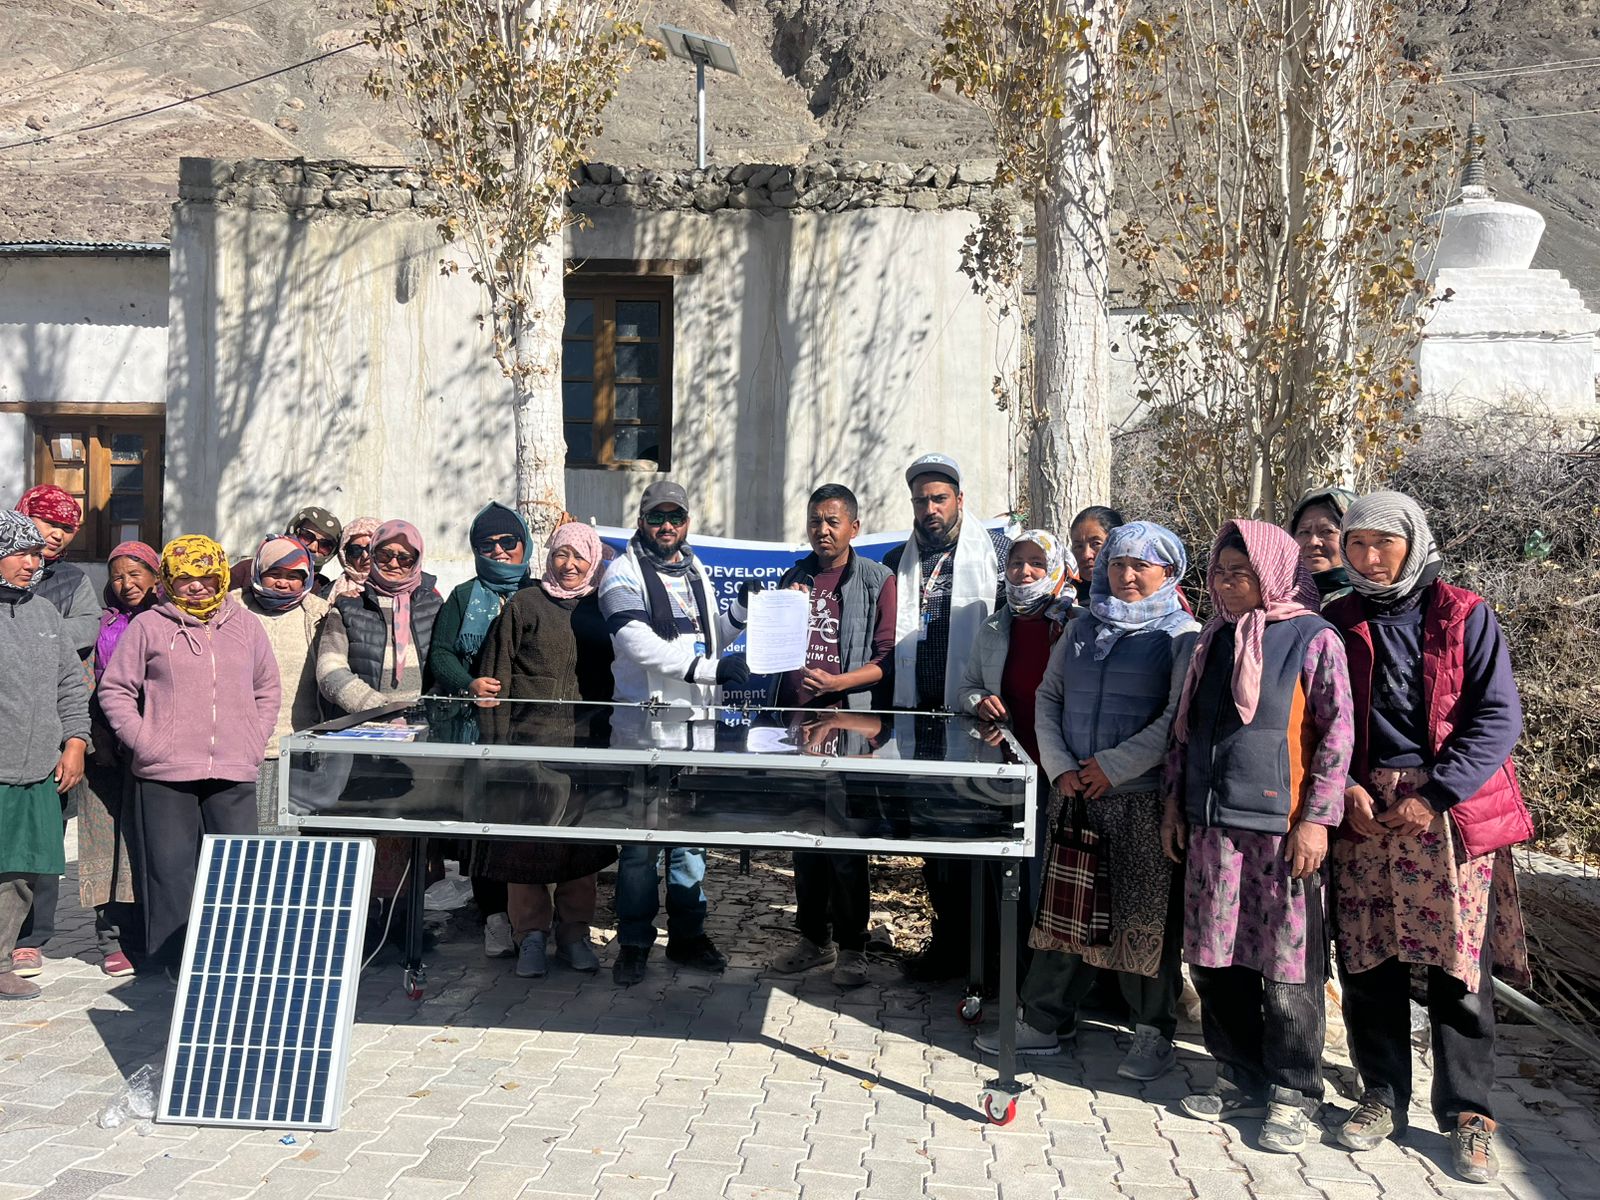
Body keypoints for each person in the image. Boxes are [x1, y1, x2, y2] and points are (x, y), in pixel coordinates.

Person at [1323, 492, 1530, 1184]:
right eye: (1356, 545)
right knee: (1367, 954)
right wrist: (1344, 783)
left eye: (1383, 543)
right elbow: (1324, 714)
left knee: (1456, 967)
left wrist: (1435, 793)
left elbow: (1497, 717)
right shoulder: (1338, 618)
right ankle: (1381, 1093)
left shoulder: (1464, 614)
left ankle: (1468, 1114)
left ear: (1413, 543)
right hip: (1363, 811)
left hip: (1446, 807)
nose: (1369, 558)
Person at [977, 521, 1198, 1082]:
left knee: (1141, 919)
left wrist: (1114, 766)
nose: (1125, 575)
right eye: (1117, 565)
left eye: (1139, 567)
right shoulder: (1080, 627)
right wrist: (1061, 767)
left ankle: (1152, 1033)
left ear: (1167, 574)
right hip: (1074, 794)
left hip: (1141, 800)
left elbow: (1176, 718)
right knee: (1064, 914)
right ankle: (1047, 1024)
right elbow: (1048, 698)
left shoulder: (1181, 636)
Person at [1164, 520, 1354, 1153]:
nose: (1225, 582)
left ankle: (1296, 1092)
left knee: (1289, 966)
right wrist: (1175, 808)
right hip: (1212, 826)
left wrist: (1316, 820)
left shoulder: (1313, 638)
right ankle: (1239, 1075)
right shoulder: (1210, 640)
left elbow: (1336, 736)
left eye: (1239, 572)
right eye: (1218, 572)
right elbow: (1183, 734)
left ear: (1270, 572)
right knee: (1213, 958)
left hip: (1282, 831)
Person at [98, 535, 279, 967]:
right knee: (170, 872)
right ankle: (176, 962)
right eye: (184, 578)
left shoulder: (246, 625)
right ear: (168, 580)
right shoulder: (150, 626)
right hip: (164, 772)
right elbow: (116, 689)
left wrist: (253, 740)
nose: (196, 586)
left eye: (206, 576)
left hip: (233, 768)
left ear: (220, 576)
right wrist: (147, 741)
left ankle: (234, 957)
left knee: (237, 871)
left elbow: (267, 689)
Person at [596, 481, 748, 987]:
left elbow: (705, 635)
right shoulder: (621, 572)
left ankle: (687, 937)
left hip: (695, 732)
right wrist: (710, 670)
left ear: (687, 522)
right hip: (643, 733)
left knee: (689, 843)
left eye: (675, 518)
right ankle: (635, 942)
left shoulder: (695, 568)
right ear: (641, 521)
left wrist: (739, 615)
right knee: (639, 848)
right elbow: (636, 641)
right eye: (657, 518)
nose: (667, 527)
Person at [883, 452, 1009, 982]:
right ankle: (949, 944)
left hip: (983, 723)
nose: (929, 508)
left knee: (982, 839)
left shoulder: (999, 556)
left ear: (960, 499)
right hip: (920, 723)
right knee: (934, 842)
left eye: (939, 498)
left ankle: (991, 955)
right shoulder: (896, 561)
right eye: (920, 500)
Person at [765, 484, 896, 989]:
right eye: (816, 520)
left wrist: (840, 684)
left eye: (833, 521)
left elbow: (886, 660)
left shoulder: (876, 580)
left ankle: (853, 948)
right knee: (804, 840)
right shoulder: (795, 575)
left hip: (851, 729)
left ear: (854, 527)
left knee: (846, 845)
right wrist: (785, 610)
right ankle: (812, 940)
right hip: (798, 726)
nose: (823, 530)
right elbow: (772, 648)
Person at [476, 521, 618, 978]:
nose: (570, 564)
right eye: (561, 554)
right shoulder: (525, 604)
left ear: (593, 558)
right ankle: (530, 936)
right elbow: (496, 679)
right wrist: (497, 748)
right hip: (528, 747)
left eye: (579, 556)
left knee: (580, 849)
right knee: (527, 848)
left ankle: (574, 935)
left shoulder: (605, 606)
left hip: (587, 748)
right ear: (548, 556)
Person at [316, 520, 442, 927]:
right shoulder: (348, 607)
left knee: (410, 835)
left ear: (416, 559)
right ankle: (360, 930)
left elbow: (446, 666)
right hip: (364, 739)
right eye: (384, 554)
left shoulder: (434, 604)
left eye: (404, 557)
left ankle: (407, 929)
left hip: (420, 741)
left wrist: (424, 716)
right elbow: (330, 673)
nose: (392, 562)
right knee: (364, 833)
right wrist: (380, 710)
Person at [427, 502, 536, 960]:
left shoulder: (540, 592)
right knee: (485, 830)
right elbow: (441, 653)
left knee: (530, 829)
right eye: (486, 545)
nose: (498, 551)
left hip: (532, 732)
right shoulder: (463, 596)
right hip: (477, 733)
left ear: (524, 544)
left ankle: (533, 924)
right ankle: (494, 918)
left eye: (507, 542)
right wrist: (468, 683)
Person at [958, 528, 1077, 918]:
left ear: (1056, 567)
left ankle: (1051, 972)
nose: (1024, 571)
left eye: (1037, 563)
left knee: (1053, 872)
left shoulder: (1078, 626)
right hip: (1011, 769)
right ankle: (1010, 966)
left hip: (1065, 770)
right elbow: (968, 687)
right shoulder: (993, 627)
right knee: (1014, 870)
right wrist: (980, 702)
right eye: (1015, 562)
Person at [8, 485, 97, 975]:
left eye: (66, 529)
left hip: (48, 726)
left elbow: (88, 625)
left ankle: (31, 936)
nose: (56, 536)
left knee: (42, 841)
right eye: (48, 524)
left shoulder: (69, 580)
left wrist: (39, 629)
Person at [80, 541, 162, 977]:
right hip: (106, 750)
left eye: (136, 574)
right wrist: (99, 739)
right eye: (117, 576)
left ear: (155, 575)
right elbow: (87, 686)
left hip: (157, 749)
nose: (127, 584)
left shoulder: (170, 620)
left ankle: (147, 936)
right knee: (106, 844)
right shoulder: (101, 625)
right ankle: (110, 937)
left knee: (147, 842)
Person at [233, 536, 330, 832]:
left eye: (294, 576)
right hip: (239, 748)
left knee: (288, 842)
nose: (283, 583)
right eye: (274, 573)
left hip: (297, 746)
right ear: (258, 573)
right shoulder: (232, 609)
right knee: (245, 839)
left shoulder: (318, 613)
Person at [229, 505, 344, 595]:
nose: (313, 548)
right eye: (307, 536)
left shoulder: (322, 587)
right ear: (293, 531)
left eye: (325, 545)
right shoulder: (247, 570)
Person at [1289, 486, 1358, 604]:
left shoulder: (1373, 603)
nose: (1313, 542)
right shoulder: (1278, 602)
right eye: (1304, 532)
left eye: (1326, 531)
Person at [1069, 506, 1124, 607]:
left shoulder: (1133, 593)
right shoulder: (1064, 598)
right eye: (1078, 546)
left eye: (1096, 544)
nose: (1086, 555)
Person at [326, 517, 380, 601]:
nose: (365, 555)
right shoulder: (328, 591)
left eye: (371, 548)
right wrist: (339, 602)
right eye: (355, 550)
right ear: (345, 556)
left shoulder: (401, 587)